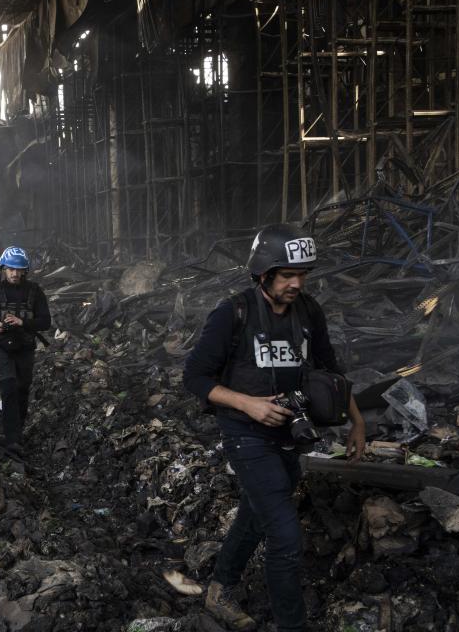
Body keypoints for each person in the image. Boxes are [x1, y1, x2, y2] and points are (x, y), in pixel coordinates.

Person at [182, 224, 366, 632]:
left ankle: (220, 589)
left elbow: (329, 370)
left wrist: (357, 421)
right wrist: (247, 403)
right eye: (287, 275)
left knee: (256, 508)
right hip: (245, 434)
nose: (296, 283)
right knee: (285, 537)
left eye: (302, 275)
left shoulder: (308, 312)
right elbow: (194, 376)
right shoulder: (233, 313)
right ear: (263, 274)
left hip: (290, 435)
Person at [0, 246, 51, 455]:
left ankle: (16, 431)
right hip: (2, 348)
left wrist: (22, 321)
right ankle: (13, 439)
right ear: (3, 268)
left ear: (25, 271)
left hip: (25, 347)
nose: (15, 274)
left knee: (21, 390)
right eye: (11, 269)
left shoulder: (35, 292)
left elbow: (45, 322)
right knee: (8, 387)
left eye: (19, 270)